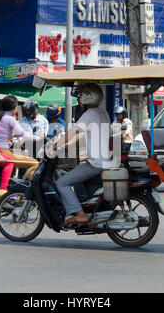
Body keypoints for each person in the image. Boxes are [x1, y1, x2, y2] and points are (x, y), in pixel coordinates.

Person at [54, 83, 116, 226]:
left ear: (88, 97)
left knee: (62, 182)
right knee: (76, 172)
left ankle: (80, 214)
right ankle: (86, 205)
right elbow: (89, 136)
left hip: (95, 164)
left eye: (81, 95)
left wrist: (55, 145)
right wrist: (69, 145)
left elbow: (73, 132)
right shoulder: (103, 112)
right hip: (106, 161)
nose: (79, 99)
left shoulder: (89, 114)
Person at [0, 96, 40, 179]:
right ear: (13, 107)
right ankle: (30, 189)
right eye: (17, 106)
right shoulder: (10, 119)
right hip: (4, 152)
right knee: (35, 163)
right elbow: (23, 134)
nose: (17, 109)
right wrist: (40, 139)